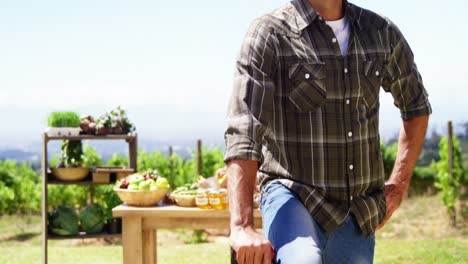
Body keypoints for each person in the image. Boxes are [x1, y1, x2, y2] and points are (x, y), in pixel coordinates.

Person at [224, 0, 431, 263]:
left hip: (357, 211)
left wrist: (399, 185)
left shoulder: (381, 32)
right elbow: (244, 128)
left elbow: (416, 106)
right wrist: (242, 226)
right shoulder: (270, 33)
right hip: (292, 193)